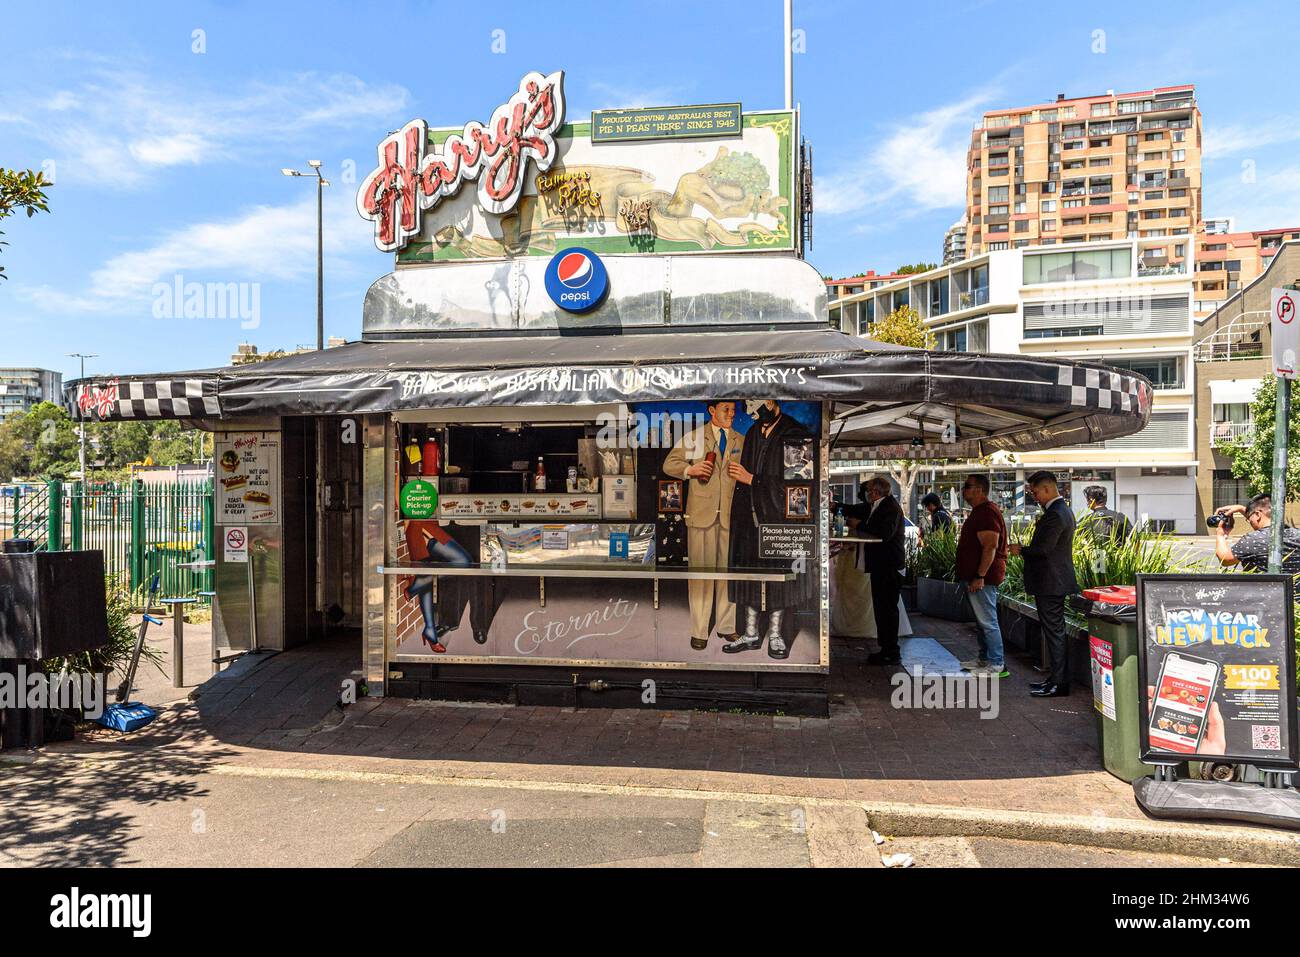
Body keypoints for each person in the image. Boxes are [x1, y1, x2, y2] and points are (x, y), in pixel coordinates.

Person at [723, 400, 813, 659]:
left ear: (774, 401)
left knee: (778, 581)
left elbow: (799, 486)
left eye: (758, 402)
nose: (754, 408)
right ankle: (751, 633)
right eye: (749, 403)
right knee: (749, 577)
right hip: (749, 522)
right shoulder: (753, 432)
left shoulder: (795, 434)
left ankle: (775, 635)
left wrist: (752, 479)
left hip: (780, 526)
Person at [663, 400, 745, 650]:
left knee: (727, 575)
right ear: (712, 411)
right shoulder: (695, 437)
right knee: (700, 576)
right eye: (726, 409)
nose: (731, 414)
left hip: (731, 516)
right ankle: (699, 631)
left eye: (733, 410)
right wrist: (690, 469)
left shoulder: (741, 440)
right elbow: (669, 464)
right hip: (700, 516)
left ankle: (726, 627)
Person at [1008, 471, 1077, 697]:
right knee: (1053, 631)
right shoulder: (1061, 511)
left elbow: (1044, 549)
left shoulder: (1056, 514)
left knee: (1054, 632)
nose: (1034, 496)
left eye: (1035, 492)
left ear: (1047, 489)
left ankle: (1060, 682)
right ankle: (1056, 679)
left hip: (1051, 582)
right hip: (1053, 581)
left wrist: (1021, 550)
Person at [955, 475, 1008, 678]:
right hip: (976, 576)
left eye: (966, 486)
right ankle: (985, 659)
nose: (963, 490)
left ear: (979, 490)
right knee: (981, 621)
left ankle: (996, 663)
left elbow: (990, 546)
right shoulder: (980, 512)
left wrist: (980, 575)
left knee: (987, 621)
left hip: (983, 577)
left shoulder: (987, 513)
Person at [855, 475, 906, 665]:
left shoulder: (891, 508)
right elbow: (859, 510)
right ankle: (886, 648)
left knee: (887, 610)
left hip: (889, 567)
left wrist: (859, 525)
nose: (867, 494)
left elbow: (885, 533)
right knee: (882, 609)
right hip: (882, 566)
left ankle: (891, 651)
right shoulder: (879, 506)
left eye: (868, 490)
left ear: (875, 492)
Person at [1214, 493, 1300, 578]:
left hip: (1264, 591)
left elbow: (1225, 559)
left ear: (1258, 515)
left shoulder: (1253, 540)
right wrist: (1241, 509)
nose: (1249, 521)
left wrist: (1221, 534)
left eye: (1249, 519)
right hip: (1295, 591)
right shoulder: (1297, 534)